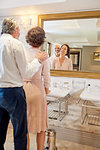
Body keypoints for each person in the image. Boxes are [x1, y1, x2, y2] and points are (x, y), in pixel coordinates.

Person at [0, 18, 48, 150]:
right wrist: (37, 60)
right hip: (14, 92)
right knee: (20, 131)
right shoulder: (16, 44)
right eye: (19, 30)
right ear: (15, 30)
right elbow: (27, 73)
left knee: (0, 130)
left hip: (0, 93)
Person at [23, 27, 50, 150]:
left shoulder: (23, 52)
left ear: (28, 39)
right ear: (42, 40)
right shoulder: (43, 55)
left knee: (25, 126)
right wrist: (47, 88)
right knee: (41, 126)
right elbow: (46, 76)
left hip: (23, 90)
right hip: (37, 90)